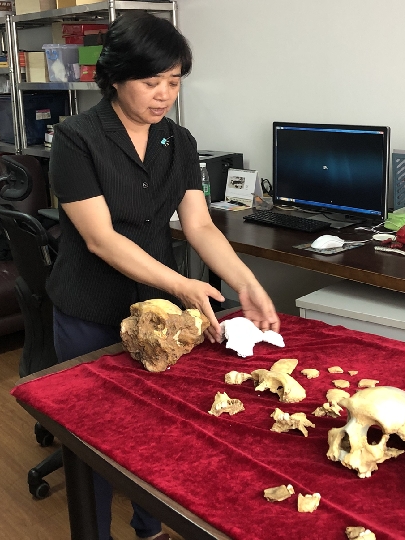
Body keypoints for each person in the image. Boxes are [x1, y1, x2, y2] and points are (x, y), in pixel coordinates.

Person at [46, 12, 279, 540]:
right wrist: (181, 284)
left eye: (173, 82)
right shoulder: (76, 138)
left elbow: (199, 225)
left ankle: (149, 527)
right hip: (89, 309)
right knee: (95, 437)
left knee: (158, 430)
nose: (164, 95)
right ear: (115, 77)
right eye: (151, 81)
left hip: (158, 310)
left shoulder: (179, 141)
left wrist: (247, 284)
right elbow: (101, 238)